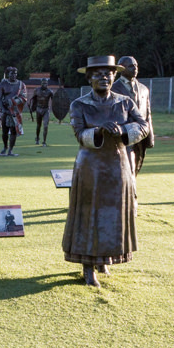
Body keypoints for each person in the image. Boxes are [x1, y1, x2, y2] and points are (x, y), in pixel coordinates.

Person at [61, 55, 149, 287]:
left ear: (114, 76)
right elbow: (80, 134)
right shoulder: (79, 104)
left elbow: (143, 126)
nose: (104, 77)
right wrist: (99, 131)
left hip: (118, 165)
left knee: (113, 214)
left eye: (108, 74)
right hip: (90, 166)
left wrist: (122, 130)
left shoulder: (125, 102)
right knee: (88, 215)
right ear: (89, 78)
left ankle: (105, 259)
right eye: (98, 74)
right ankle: (88, 267)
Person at [111, 56, 154, 175]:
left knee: (136, 168)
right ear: (121, 69)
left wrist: (150, 137)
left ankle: (130, 190)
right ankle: (127, 191)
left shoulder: (144, 89)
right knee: (126, 169)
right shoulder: (113, 89)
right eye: (131, 66)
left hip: (140, 136)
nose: (135, 68)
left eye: (136, 65)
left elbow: (147, 114)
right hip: (122, 136)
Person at [0, 66, 27, 156]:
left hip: (15, 111)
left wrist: (14, 102)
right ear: (8, 74)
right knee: (4, 131)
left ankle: (11, 150)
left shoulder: (21, 84)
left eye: (15, 73)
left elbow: (24, 97)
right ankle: (5, 147)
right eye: (12, 73)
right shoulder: (3, 84)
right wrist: (4, 109)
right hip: (5, 111)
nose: (14, 75)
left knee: (13, 131)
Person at [29, 79, 54, 146]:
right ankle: (37, 138)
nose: (44, 84)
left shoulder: (50, 91)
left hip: (46, 109)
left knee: (45, 126)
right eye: (43, 83)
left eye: (46, 83)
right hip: (38, 109)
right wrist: (31, 107)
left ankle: (44, 142)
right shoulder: (36, 90)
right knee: (38, 125)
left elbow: (54, 101)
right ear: (41, 84)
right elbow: (33, 99)